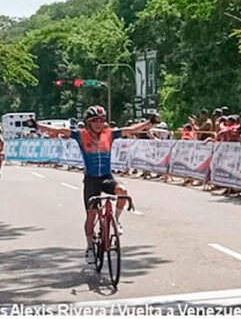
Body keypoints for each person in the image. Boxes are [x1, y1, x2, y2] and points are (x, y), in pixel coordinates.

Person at [30, 105, 157, 264]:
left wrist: (150, 122)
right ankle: (90, 247)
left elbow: (130, 129)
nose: (98, 123)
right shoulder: (80, 135)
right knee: (92, 216)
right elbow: (57, 130)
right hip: (91, 180)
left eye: (101, 120)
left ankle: (116, 220)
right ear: (88, 122)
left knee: (122, 191)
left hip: (106, 177)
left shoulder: (109, 134)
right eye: (94, 120)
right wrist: (36, 125)